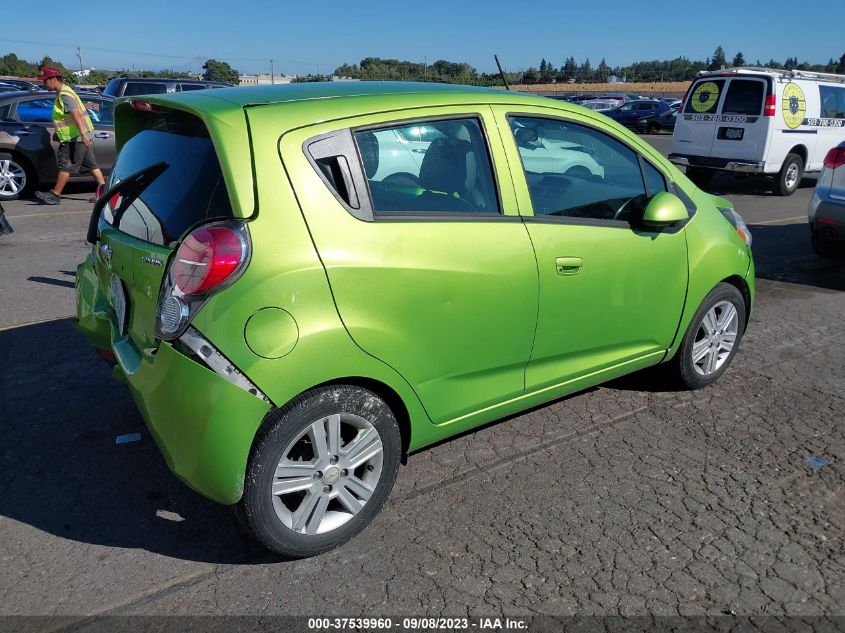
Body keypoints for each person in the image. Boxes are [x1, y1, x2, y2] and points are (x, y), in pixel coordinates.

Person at [34, 68, 105, 205]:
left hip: (75, 138)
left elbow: (75, 114)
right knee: (92, 166)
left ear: (53, 79)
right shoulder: (65, 91)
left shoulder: (64, 95)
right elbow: (67, 118)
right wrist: (58, 132)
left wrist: (82, 134)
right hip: (80, 136)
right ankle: (103, 194)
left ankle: (55, 195)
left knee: (65, 165)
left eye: (45, 81)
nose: (43, 84)